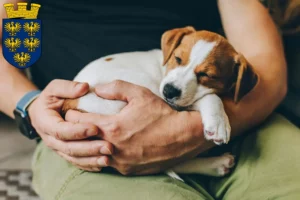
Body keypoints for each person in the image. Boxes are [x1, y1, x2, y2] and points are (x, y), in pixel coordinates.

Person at [0, 0, 299, 199]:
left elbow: (265, 61)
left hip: (239, 118)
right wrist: (30, 104)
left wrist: (190, 129)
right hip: (83, 136)